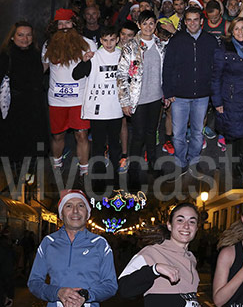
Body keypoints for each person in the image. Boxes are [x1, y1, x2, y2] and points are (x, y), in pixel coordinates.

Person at [161, 5, 218, 175]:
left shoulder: (210, 41)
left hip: (202, 95)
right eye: (189, 20)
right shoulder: (177, 40)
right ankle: (180, 161)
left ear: (201, 21)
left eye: (195, 20)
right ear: (184, 22)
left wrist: (214, 92)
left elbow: (216, 67)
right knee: (178, 133)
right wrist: (168, 92)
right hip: (179, 96)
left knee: (197, 132)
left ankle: (194, 159)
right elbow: (168, 67)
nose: (192, 23)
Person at [41, 10, 96, 178]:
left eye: (67, 23)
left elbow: (95, 72)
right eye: (60, 23)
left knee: (81, 135)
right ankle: (56, 163)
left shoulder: (87, 44)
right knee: (58, 135)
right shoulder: (48, 45)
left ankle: (84, 168)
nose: (64, 27)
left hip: (79, 99)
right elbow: (42, 69)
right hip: (57, 100)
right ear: (55, 26)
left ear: (74, 24)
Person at [116, 11, 168, 187]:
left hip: (155, 97)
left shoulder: (161, 45)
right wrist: (124, 102)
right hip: (137, 99)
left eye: (151, 23)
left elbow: (165, 73)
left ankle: (153, 165)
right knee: (138, 136)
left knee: (151, 133)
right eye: (144, 24)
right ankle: (133, 172)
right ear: (138, 25)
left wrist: (166, 94)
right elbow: (121, 75)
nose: (148, 27)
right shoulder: (131, 46)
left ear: (155, 26)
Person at [210, 16, 243, 183]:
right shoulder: (223, 49)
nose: (240, 32)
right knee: (235, 132)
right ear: (231, 31)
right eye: (236, 28)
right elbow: (215, 77)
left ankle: (241, 159)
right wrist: (217, 102)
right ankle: (235, 164)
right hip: (232, 97)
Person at [73, 23, 123, 182]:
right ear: (100, 40)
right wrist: (84, 60)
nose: (109, 43)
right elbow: (76, 75)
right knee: (98, 145)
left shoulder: (123, 55)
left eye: (112, 40)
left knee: (115, 143)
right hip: (98, 109)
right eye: (105, 40)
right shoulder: (94, 56)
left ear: (117, 39)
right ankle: (99, 175)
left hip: (116, 108)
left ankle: (115, 174)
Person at [0, 23, 48, 181]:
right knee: (14, 144)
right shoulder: (5, 55)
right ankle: (15, 179)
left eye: (28, 35)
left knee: (34, 143)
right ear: (12, 37)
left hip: (34, 106)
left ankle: (28, 179)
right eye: (20, 35)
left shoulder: (35, 53)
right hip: (13, 107)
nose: (25, 38)